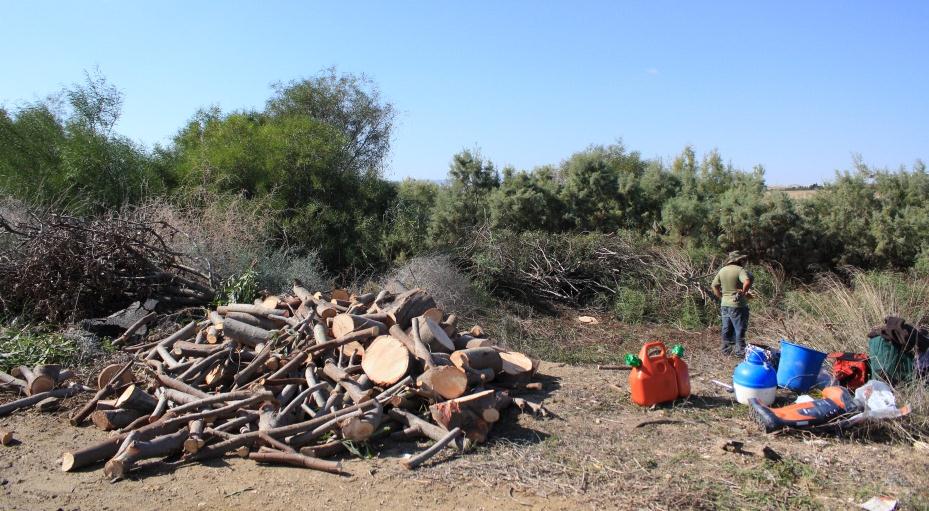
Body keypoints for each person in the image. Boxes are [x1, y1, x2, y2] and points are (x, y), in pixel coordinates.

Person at [711, 251, 753, 357]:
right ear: (738, 260)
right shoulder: (740, 270)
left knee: (726, 327)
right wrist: (743, 293)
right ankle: (740, 352)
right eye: (742, 260)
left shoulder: (722, 270)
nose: (744, 262)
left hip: (725, 304)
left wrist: (721, 296)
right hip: (737, 305)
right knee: (739, 328)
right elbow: (747, 281)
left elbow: (714, 286)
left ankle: (726, 351)